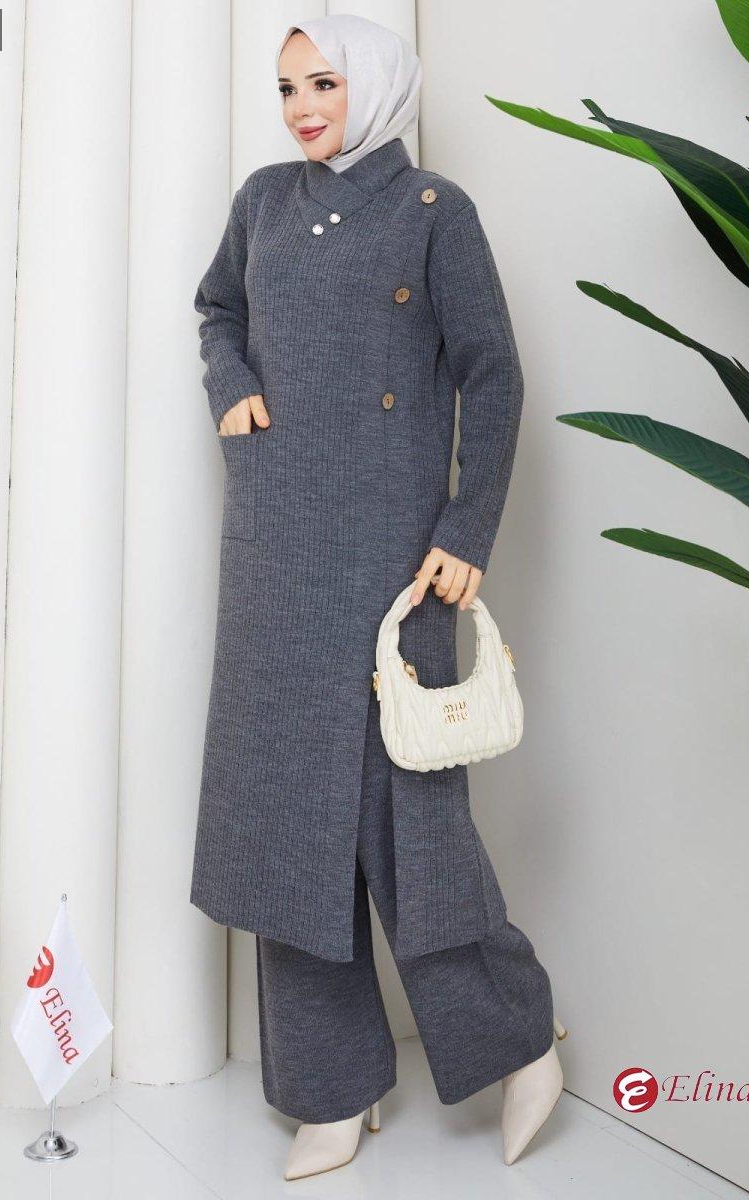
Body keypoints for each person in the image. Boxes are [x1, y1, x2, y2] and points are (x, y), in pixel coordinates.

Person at [189, 13, 567, 1181]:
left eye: (325, 82)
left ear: (379, 84)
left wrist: (466, 529)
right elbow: (218, 309)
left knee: (410, 831)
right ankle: (329, 1092)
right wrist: (231, 384)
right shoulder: (262, 202)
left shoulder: (435, 212)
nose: (303, 107)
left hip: (401, 559)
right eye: (288, 87)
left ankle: (520, 1043)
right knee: (285, 824)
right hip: (275, 548)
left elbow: (493, 374)